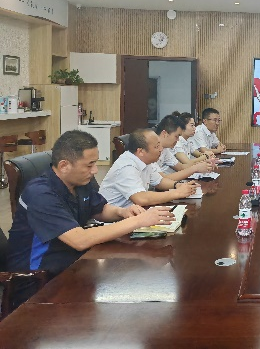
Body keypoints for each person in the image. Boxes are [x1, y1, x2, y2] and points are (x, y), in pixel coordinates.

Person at [7, 130, 175, 307]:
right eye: (89, 165)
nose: (95, 170)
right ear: (64, 166)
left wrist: (122, 212)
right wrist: (137, 221)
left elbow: (100, 209)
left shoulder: (78, 183)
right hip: (37, 283)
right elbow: (79, 240)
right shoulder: (41, 194)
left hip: (72, 265)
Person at [99, 128, 199, 208]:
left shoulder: (146, 161)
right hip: (113, 220)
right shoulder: (126, 166)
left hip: (134, 213)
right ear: (141, 151)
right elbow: (141, 198)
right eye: (156, 147)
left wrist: (178, 185)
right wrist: (177, 193)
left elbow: (159, 182)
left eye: (160, 145)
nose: (161, 149)